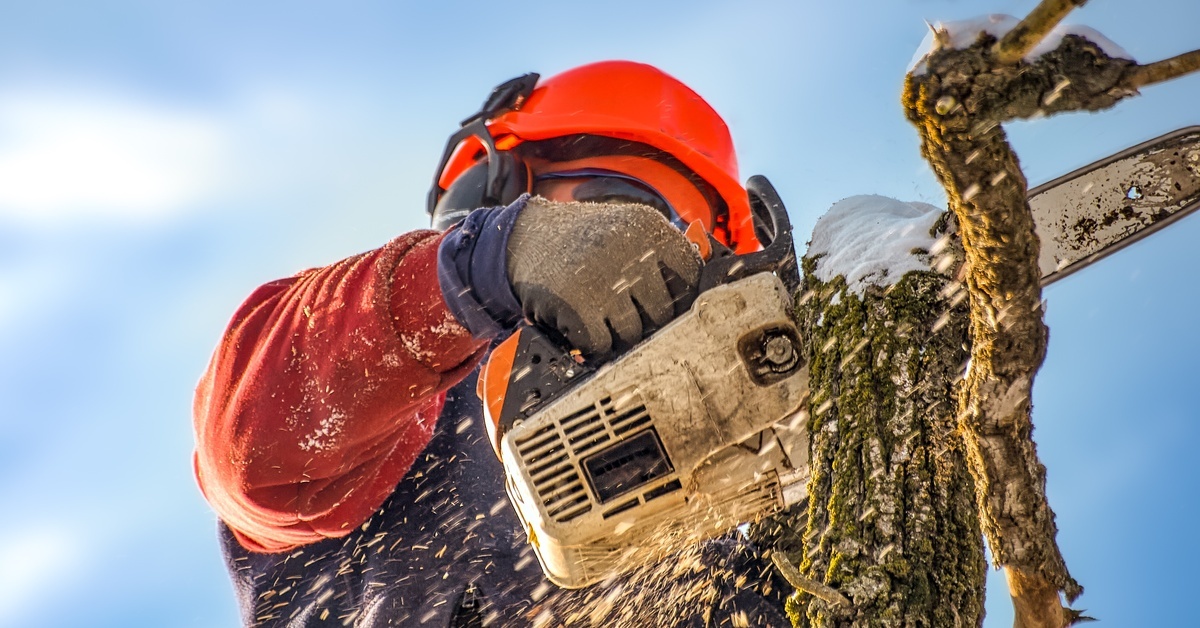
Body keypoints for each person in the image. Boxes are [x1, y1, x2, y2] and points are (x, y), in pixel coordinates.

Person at [193, 60, 791, 627]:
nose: (650, 270)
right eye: (621, 214)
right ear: (502, 195)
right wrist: (481, 266)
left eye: (686, 258)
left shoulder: (710, 526)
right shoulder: (405, 402)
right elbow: (253, 437)